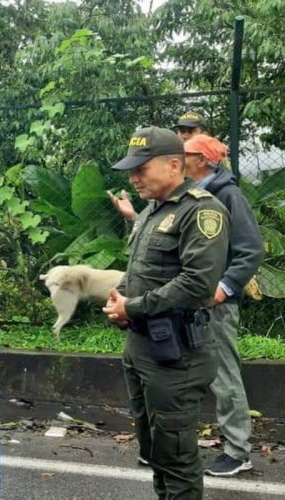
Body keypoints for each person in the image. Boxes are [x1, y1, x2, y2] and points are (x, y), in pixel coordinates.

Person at [103, 127, 230, 499]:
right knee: (155, 451)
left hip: (177, 356)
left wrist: (134, 307)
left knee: (176, 458)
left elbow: (197, 284)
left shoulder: (202, 211)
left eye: (141, 168)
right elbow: (140, 270)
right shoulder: (150, 212)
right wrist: (122, 299)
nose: (133, 177)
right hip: (143, 349)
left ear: (175, 165)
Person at [183, 135, 264, 477]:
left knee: (223, 373)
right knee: (192, 371)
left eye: (185, 154)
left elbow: (251, 248)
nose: (179, 158)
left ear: (202, 160)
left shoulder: (228, 195)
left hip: (216, 303)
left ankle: (237, 450)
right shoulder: (191, 194)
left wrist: (224, 287)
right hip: (190, 301)